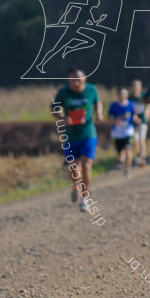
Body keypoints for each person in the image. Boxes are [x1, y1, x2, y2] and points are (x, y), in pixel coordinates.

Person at [51, 67, 102, 212]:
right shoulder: (64, 92)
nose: (76, 83)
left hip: (88, 133)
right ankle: (76, 185)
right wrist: (62, 118)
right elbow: (53, 109)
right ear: (69, 80)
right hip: (70, 136)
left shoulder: (92, 90)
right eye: (73, 80)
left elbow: (97, 102)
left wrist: (99, 113)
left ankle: (84, 198)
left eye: (78, 79)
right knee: (74, 170)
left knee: (86, 166)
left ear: (85, 78)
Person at [108, 87, 138, 177]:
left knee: (128, 149)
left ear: (127, 95)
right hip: (117, 132)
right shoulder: (113, 105)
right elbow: (109, 118)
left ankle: (127, 169)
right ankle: (121, 160)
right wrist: (115, 121)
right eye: (120, 93)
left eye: (124, 94)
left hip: (128, 131)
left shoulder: (131, 105)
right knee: (119, 153)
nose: (122, 96)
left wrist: (136, 119)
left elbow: (134, 116)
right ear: (117, 95)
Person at [129, 80, 148, 167]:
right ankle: (138, 155)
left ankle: (142, 157)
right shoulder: (130, 98)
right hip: (133, 122)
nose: (136, 88)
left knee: (141, 139)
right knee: (135, 140)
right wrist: (132, 116)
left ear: (140, 87)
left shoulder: (144, 96)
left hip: (143, 121)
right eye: (134, 86)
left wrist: (147, 111)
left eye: (137, 86)